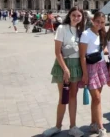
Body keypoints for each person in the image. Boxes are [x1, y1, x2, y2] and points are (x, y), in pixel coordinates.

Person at [43, 7, 85, 137]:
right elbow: (57, 52)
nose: (76, 18)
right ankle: (57, 126)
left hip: (76, 65)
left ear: (82, 17)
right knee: (63, 97)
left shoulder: (80, 31)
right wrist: (65, 69)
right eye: (74, 15)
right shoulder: (62, 28)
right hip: (63, 65)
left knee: (73, 97)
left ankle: (73, 126)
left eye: (79, 16)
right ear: (69, 15)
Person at [79, 11, 110, 137]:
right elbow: (82, 56)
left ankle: (93, 124)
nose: (100, 24)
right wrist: (85, 74)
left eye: (102, 22)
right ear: (92, 20)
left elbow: (103, 49)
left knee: (96, 99)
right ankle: (101, 127)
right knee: (97, 98)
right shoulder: (86, 34)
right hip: (90, 68)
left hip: (101, 65)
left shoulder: (102, 33)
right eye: (98, 21)